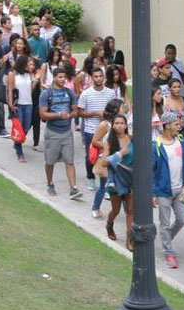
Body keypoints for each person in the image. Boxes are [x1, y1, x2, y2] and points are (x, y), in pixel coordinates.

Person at [153, 111, 184, 269]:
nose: (179, 126)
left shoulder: (181, 141)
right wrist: (153, 193)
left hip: (180, 189)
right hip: (163, 190)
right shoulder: (156, 145)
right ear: (167, 126)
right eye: (176, 124)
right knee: (164, 222)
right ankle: (169, 252)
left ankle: (166, 239)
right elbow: (151, 170)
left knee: (182, 220)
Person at [38, 66, 82, 200]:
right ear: (54, 78)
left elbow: (75, 111)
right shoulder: (46, 94)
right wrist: (58, 114)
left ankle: (73, 189)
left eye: (64, 77)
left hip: (66, 132)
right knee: (50, 161)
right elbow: (43, 114)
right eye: (60, 77)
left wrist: (69, 115)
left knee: (69, 160)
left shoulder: (69, 93)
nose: (63, 80)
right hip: (52, 133)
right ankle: (50, 183)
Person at [75, 66, 116, 190]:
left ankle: (108, 179)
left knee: (108, 155)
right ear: (92, 78)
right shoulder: (86, 94)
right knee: (91, 156)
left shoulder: (111, 92)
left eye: (100, 76)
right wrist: (95, 113)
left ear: (104, 77)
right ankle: (90, 177)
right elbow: (79, 113)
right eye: (96, 76)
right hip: (91, 129)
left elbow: (115, 109)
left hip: (108, 130)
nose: (98, 79)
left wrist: (107, 116)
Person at [100, 112, 134, 249]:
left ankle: (129, 239)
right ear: (113, 126)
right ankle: (109, 224)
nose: (119, 126)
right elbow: (103, 163)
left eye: (122, 123)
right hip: (116, 179)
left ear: (126, 125)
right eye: (117, 123)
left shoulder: (132, 139)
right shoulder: (110, 141)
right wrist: (119, 154)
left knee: (131, 211)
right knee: (116, 210)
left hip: (130, 178)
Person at [6, 54, 34, 162]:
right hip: (18, 104)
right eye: (28, 63)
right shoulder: (13, 74)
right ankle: (19, 151)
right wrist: (11, 105)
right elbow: (10, 90)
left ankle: (17, 141)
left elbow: (31, 88)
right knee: (20, 127)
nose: (30, 65)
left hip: (28, 103)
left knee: (26, 127)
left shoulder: (29, 74)